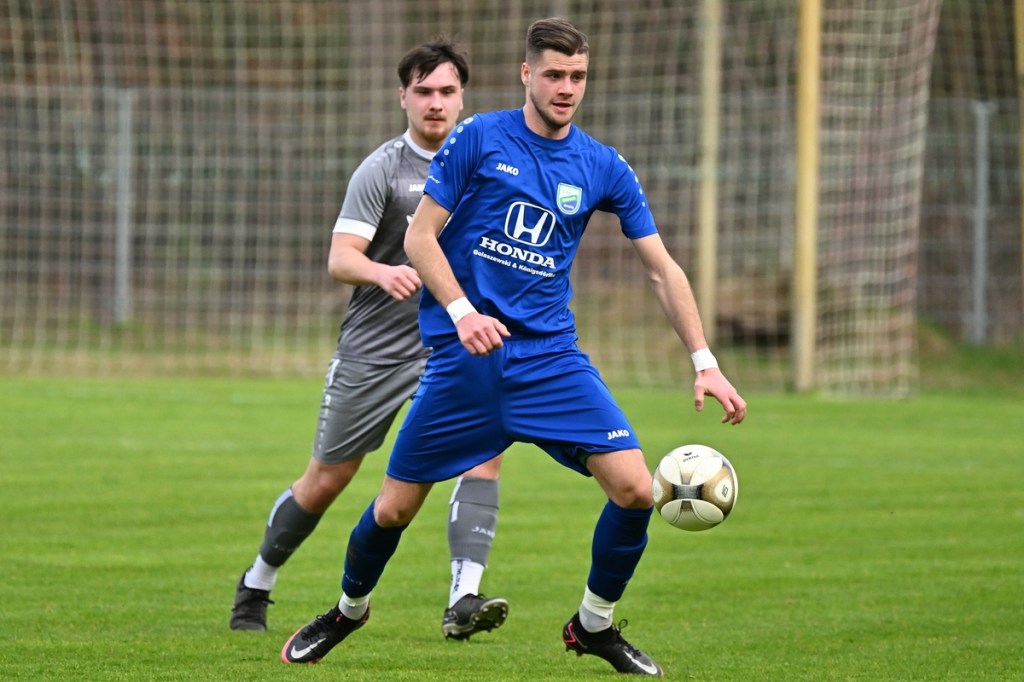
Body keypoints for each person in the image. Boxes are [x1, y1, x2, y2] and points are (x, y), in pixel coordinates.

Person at [280, 17, 746, 676]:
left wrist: (705, 362)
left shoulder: (602, 165)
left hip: (551, 361)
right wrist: (463, 312)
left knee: (636, 490)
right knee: (393, 508)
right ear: (527, 74)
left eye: (577, 76)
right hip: (465, 363)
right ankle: (347, 611)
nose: (566, 88)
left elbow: (661, 269)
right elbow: (419, 238)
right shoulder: (478, 137)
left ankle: (593, 625)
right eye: (553, 74)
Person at [230, 38, 509, 642]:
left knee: (484, 456)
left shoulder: (491, 165)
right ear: (403, 97)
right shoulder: (383, 168)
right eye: (424, 91)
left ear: (464, 97)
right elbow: (340, 258)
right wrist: (382, 272)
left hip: (454, 346)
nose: (436, 103)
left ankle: (463, 599)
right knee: (326, 481)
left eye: (447, 91)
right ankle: (257, 580)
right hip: (376, 351)